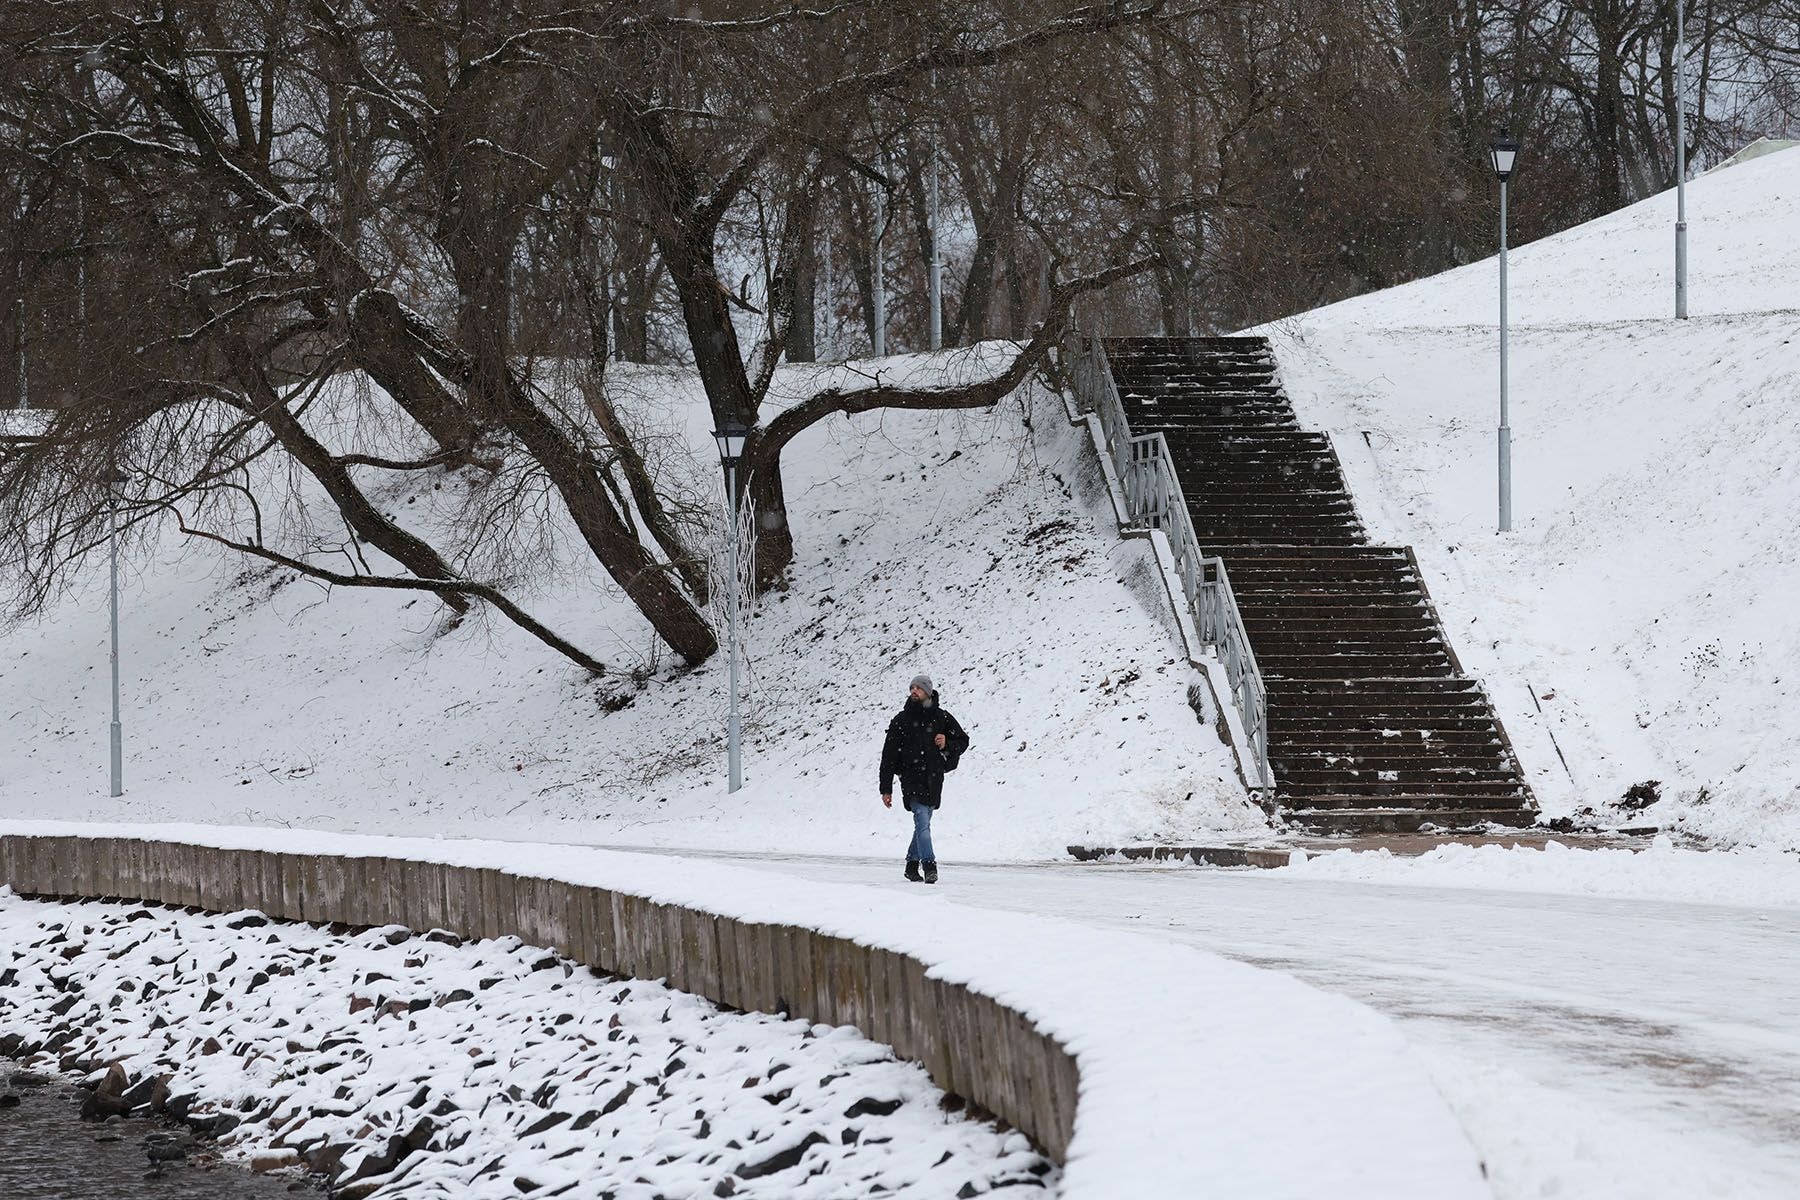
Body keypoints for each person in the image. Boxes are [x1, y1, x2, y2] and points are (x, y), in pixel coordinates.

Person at [879, 674, 970, 884]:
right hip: (910, 779)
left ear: (928, 692)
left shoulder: (942, 717)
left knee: (923, 823)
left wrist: (947, 742)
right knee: (922, 821)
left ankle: (911, 866)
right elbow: (888, 756)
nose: (914, 691)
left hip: (934, 779)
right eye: (912, 687)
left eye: (918, 688)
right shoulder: (901, 720)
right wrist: (886, 789)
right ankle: (929, 866)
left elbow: (963, 741)